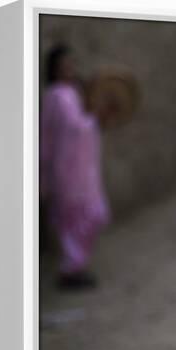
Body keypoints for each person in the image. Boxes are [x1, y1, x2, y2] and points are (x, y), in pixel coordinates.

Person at [40, 44, 110, 289]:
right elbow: (73, 130)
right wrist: (95, 119)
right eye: (65, 64)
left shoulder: (70, 94)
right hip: (67, 172)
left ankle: (76, 265)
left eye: (71, 64)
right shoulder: (57, 95)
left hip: (81, 172)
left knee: (92, 214)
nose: (70, 69)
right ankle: (71, 269)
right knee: (75, 219)